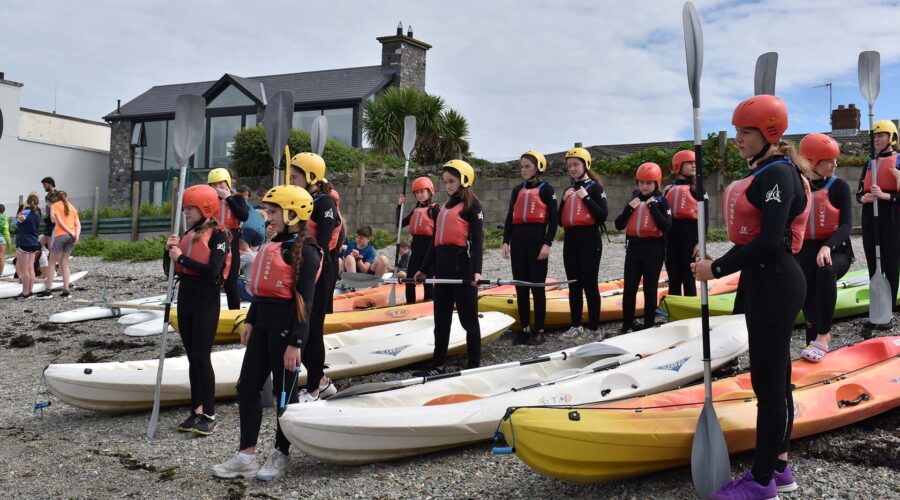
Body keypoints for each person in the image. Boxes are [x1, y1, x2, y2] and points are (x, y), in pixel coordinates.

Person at [693, 95, 810, 498]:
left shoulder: (778, 174)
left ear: (770, 133)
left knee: (769, 383)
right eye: (737, 130)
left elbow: (770, 241)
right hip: (766, 280)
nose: (737, 138)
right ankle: (779, 468)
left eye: (746, 131)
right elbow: (756, 239)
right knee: (776, 379)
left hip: (776, 281)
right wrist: (715, 258)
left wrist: (717, 269)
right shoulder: (767, 170)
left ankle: (761, 483)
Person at [212, 184, 321, 480]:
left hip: (287, 330)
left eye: (273, 212)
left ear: (292, 212)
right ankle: (246, 455)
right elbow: (262, 293)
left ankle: (280, 452)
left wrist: (296, 343)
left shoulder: (307, 252)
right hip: (262, 327)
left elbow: (306, 302)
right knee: (247, 388)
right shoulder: (271, 246)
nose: (267, 217)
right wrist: (249, 321)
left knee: (284, 394)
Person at [163, 185, 231, 436]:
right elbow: (168, 270)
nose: (186, 213)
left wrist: (180, 258)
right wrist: (168, 251)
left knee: (202, 356)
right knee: (192, 357)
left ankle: (210, 413)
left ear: (204, 207)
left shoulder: (218, 235)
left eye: (189, 209)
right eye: (184, 209)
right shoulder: (187, 233)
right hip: (187, 297)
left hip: (206, 298)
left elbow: (213, 270)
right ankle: (197, 409)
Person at [415, 160, 484, 375]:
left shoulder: (473, 206)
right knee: (441, 320)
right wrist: (424, 269)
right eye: (445, 182)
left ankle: (474, 363)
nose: (448, 185)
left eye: (451, 181)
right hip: (442, 269)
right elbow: (436, 241)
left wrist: (477, 271)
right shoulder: (444, 207)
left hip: (463, 267)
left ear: (464, 180)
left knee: (468, 320)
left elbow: (478, 241)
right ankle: (438, 364)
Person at [796, 133, 854, 362]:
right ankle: (812, 340)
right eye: (829, 160)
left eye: (835, 159)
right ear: (811, 162)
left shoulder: (838, 186)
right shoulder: (799, 186)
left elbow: (847, 225)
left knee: (825, 269)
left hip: (837, 249)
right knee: (806, 293)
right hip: (805, 250)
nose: (835, 164)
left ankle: (824, 334)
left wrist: (828, 246)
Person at [289, 152, 342, 401]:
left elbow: (322, 242)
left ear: (311, 176)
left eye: (295, 176)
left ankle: (313, 389)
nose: (291, 180)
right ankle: (320, 380)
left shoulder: (325, 204)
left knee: (313, 329)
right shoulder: (303, 200)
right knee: (303, 326)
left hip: (322, 268)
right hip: (307, 267)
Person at [502, 150, 558, 345]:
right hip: (518, 242)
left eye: (527, 166)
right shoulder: (517, 189)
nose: (523, 170)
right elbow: (510, 216)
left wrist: (547, 244)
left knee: (537, 287)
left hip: (537, 243)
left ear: (538, 168)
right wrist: (505, 241)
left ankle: (539, 330)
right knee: (521, 287)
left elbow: (554, 219)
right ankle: (525, 328)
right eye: (522, 166)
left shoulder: (546, 189)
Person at [614, 162, 671, 333]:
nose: (645, 186)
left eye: (649, 183)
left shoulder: (662, 202)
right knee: (629, 288)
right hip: (634, 248)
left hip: (653, 249)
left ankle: (648, 326)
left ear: (656, 183)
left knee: (650, 288)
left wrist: (652, 207)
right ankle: (627, 325)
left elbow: (666, 226)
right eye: (642, 183)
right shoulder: (633, 200)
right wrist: (629, 209)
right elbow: (618, 225)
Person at [558, 147, 608, 341]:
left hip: (590, 239)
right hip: (570, 240)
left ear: (586, 165)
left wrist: (585, 197)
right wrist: (563, 201)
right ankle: (576, 325)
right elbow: (560, 220)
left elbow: (602, 215)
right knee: (574, 285)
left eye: (576, 165)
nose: (572, 168)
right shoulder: (568, 190)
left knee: (589, 284)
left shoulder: (596, 188)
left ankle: (594, 329)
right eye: (569, 165)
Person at [856, 119, 900, 327]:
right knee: (873, 264)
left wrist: (885, 196)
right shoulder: (869, 163)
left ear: (892, 137)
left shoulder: (898, 160)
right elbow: (858, 192)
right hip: (869, 219)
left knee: (891, 265)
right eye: (875, 136)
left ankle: (888, 314)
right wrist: (862, 198)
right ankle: (876, 312)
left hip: (891, 220)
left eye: (881, 135)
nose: (877, 139)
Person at [208, 169, 249, 310]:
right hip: (214, 241)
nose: (217, 187)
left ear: (227, 183)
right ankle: (211, 314)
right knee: (213, 280)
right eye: (214, 184)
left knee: (231, 283)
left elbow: (244, 216)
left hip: (232, 242)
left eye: (220, 183)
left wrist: (228, 198)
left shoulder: (237, 198)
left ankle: (235, 314)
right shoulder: (209, 199)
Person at [397, 177, 440, 304]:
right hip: (415, 252)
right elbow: (399, 224)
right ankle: (410, 305)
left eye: (422, 192)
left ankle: (428, 303)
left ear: (430, 191)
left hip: (430, 252)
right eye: (417, 193)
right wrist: (399, 206)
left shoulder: (434, 209)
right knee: (409, 281)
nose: (419, 195)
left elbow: (439, 232)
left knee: (427, 281)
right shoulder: (415, 210)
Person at [663, 150, 700, 296]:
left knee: (689, 279)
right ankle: (675, 315)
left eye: (695, 162)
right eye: (689, 162)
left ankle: (692, 314)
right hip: (671, 238)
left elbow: (704, 218)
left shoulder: (699, 189)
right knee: (674, 279)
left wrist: (700, 243)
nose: (693, 165)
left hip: (690, 238)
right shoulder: (668, 189)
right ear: (678, 166)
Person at [36, 191, 80, 300]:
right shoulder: (72, 207)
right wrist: (76, 235)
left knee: (52, 262)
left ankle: (48, 291)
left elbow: (56, 221)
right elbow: (78, 224)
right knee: (64, 263)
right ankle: (66, 291)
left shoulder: (55, 206)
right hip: (72, 237)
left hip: (61, 235)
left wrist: (69, 231)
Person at [14, 194, 41, 299]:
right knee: (31, 268)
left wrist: (24, 208)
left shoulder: (25, 213)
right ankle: (30, 291)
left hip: (24, 243)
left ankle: (25, 293)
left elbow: (14, 223)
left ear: (28, 202)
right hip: (34, 242)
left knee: (24, 269)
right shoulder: (38, 213)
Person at [0, 204, 9, 277]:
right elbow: (6, 231)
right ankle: (0, 274)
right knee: (2, 256)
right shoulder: (4, 218)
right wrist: (8, 241)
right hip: (2, 238)